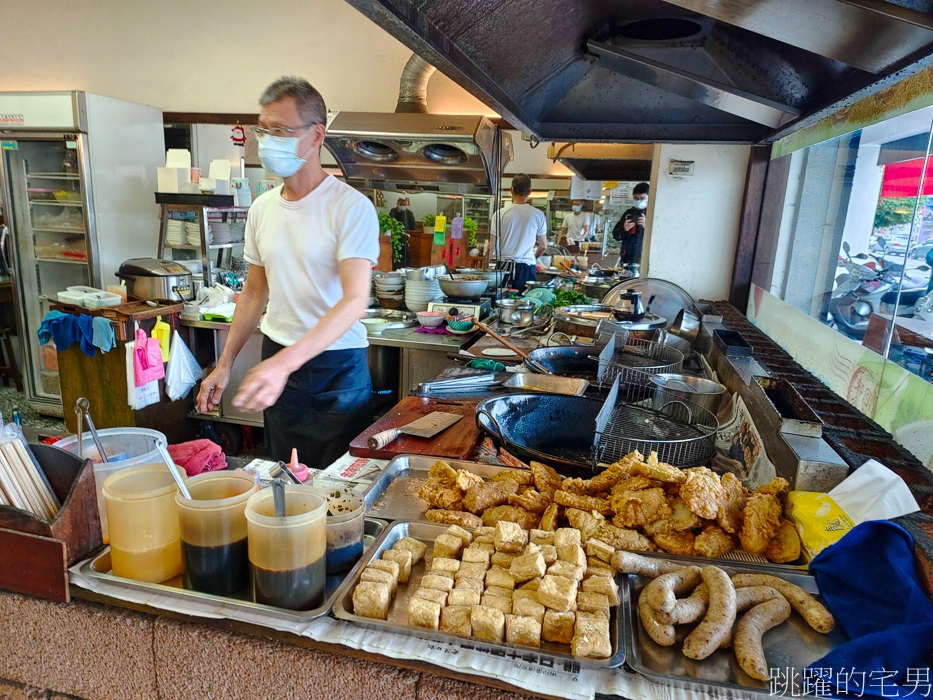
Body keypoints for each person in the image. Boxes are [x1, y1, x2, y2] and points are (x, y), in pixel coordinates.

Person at [196, 76, 379, 468]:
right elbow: (254, 292)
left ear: (316, 136)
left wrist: (285, 363)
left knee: (338, 488)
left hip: (336, 369)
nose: (268, 140)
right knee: (284, 480)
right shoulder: (262, 209)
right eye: (263, 130)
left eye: (280, 130)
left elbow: (354, 300)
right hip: (279, 360)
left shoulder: (350, 207)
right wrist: (224, 365)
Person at [490, 174, 548, 292]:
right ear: (530, 191)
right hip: (526, 267)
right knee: (525, 303)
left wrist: (486, 270)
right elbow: (543, 246)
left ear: (511, 190)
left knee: (501, 303)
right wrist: (533, 257)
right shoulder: (538, 214)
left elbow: (490, 248)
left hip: (503, 267)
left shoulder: (499, 214)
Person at [613, 182, 649, 265]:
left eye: (642, 198)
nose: (639, 201)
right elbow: (616, 235)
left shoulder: (654, 214)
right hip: (627, 258)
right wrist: (624, 229)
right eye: (636, 199)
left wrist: (647, 227)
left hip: (645, 259)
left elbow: (661, 238)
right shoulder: (629, 213)